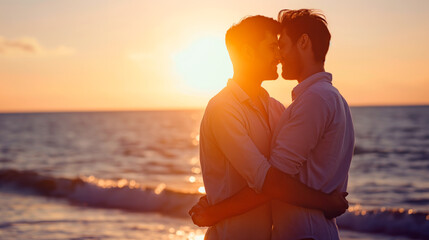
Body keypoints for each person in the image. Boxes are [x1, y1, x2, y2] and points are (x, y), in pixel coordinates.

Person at [191, 14, 349, 240]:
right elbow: (266, 181)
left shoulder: (277, 109)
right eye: (272, 46)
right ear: (247, 52)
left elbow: (286, 177)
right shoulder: (223, 108)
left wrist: (214, 209)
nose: (278, 55)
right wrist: (326, 202)